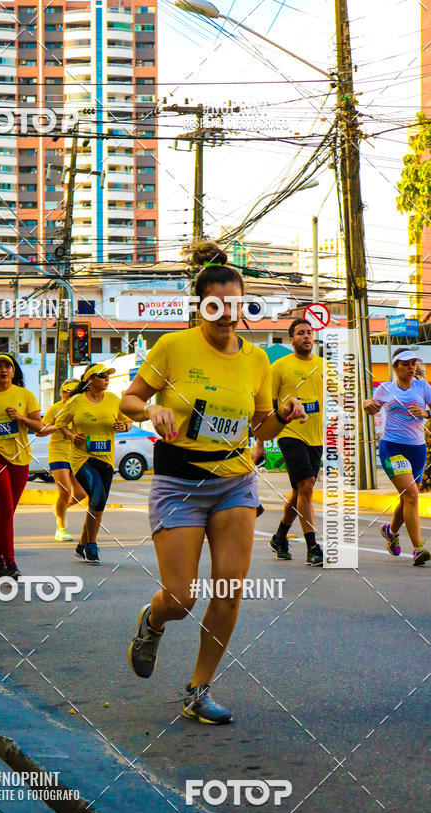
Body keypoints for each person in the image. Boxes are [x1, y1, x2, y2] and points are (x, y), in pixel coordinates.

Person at [119, 241, 306, 725]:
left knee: (229, 588)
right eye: (215, 305)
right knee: (181, 598)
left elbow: (260, 425)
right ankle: (153, 620)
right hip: (179, 482)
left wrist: (282, 417)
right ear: (200, 306)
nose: (227, 314)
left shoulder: (257, 360)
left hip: (234, 482)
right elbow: (129, 400)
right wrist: (151, 408)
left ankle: (198, 689)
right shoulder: (174, 347)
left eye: (235, 305)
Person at [253, 318, 325, 566]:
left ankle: (280, 536)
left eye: (309, 332)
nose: (307, 336)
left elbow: (342, 394)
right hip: (289, 433)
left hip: (316, 437)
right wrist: (260, 442)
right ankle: (313, 547)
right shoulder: (280, 367)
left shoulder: (324, 366)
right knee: (306, 486)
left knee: (299, 493)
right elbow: (265, 409)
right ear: (291, 339)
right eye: (301, 333)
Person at [0, 353, 43, 578]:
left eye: (8, 366)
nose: (4, 370)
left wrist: (21, 418)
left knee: (9, 512)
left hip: (20, 460)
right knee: (5, 509)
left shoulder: (26, 395)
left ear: (13, 371)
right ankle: (10, 562)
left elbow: (39, 427)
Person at [55, 363, 132, 564]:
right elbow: (60, 423)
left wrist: (123, 426)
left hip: (106, 458)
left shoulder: (114, 400)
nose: (107, 379)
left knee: (99, 502)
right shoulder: (76, 402)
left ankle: (81, 544)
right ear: (90, 379)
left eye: (108, 376)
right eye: (102, 376)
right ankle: (92, 544)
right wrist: (72, 436)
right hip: (82, 458)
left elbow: (128, 421)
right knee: (97, 496)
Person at [363, 346, 431, 566]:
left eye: (413, 363)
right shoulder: (385, 388)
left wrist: (426, 413)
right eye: (405, 364)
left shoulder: (422, 386)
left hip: (417, 449)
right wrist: (367, 406)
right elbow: (370, 405)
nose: (411, 367)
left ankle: (391, 531)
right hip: (392, 447)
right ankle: (418, 548)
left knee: (407, 497)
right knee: (411, 494)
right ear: (395, 367)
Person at [41, 379, 87, 542]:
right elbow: (40, 431)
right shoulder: (55, 409)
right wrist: (59, 425)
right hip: (58, 452)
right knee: (66, 491)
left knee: (82, 493)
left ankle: (59, 509)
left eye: (75, 391)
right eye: (67, 391)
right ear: (62, 392)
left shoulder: (82, 406)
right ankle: (61, 527)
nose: (70, 394)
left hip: (76, 453)